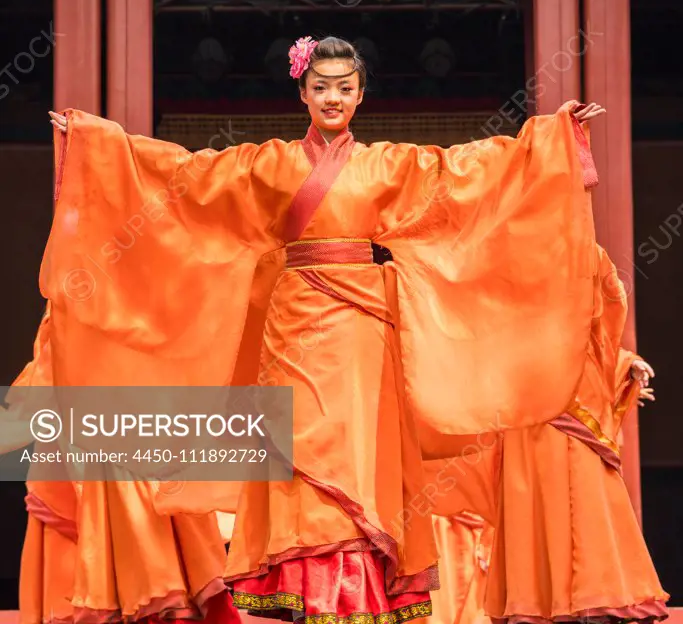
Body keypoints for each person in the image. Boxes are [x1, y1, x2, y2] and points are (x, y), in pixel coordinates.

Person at [11, 35, 605, 624]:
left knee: (356, 452)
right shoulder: (267, 164)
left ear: (361, 95)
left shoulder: (387, 165)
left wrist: (552, 136)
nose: (333, 97)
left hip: (363, 328)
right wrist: (94, 141)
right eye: (321, 87)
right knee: (297, 453)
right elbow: (185, 180)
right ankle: (308, 586)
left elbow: (466, 173)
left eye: (344, 88)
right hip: (292, 320)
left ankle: (355, 589)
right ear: (302, 91)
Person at [483, 245, 668, 624]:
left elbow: (598, 331)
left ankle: (593, 595)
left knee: (587, 485)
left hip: (576, 388)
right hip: (525, 390)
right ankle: (537, 598)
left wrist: (623, 365)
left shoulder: (587, 253)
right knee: (532, 487)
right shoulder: (509, 246)